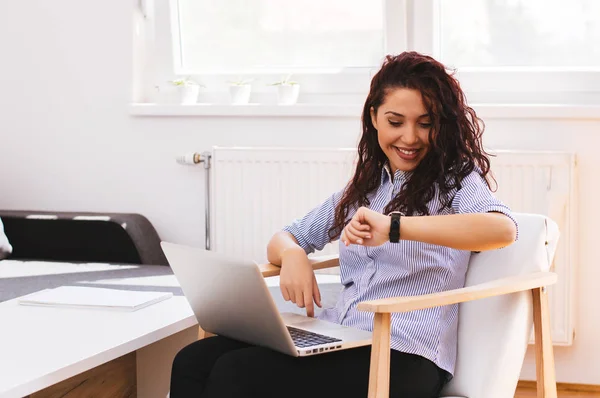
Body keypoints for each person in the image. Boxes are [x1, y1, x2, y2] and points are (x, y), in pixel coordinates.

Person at [169, 51, 518, 398]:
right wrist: (293, 256)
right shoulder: (365, 189)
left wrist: (395, 227)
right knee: (192, 361)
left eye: (425, 123)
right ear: (375, 118)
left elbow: (502, 230)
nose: (410, 137)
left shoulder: (455, 180)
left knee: (237, 374)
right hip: (345, 337)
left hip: (407, 357)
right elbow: (286, 237)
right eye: (396, 122)